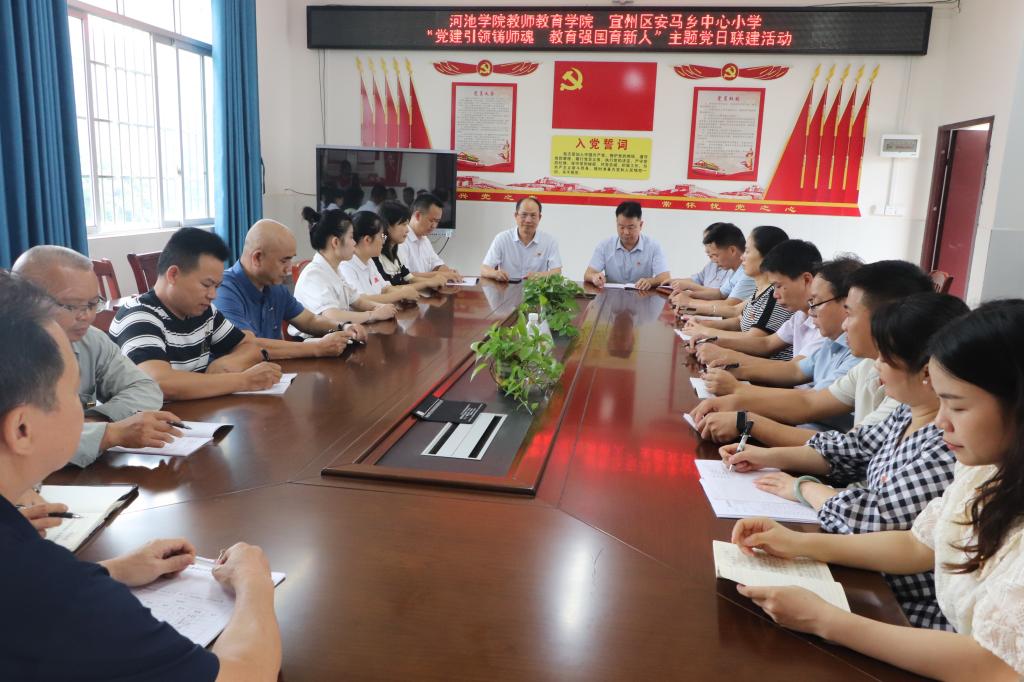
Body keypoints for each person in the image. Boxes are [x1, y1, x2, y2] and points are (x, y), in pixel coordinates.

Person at [0, 271, 281, 680]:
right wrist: (253, 580)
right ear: (22, 428)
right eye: (75, 395)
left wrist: (109, 570)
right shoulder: (45, 585)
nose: (86, 410)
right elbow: (243, 675)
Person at [728, 300, 1024, 680]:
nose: (941, 422)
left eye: (958, 407)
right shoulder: (982, 470)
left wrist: (826, 621)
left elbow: (995, 664)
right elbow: (917, 545)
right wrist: (798, 543)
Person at [724, 292, 969, 629]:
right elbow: (850, 448)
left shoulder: (949, 443)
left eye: (885, 357)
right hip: (870, 578)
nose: (876, 364)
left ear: (927, 372)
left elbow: (875, 521)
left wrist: (803, 488)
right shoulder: (907, 412)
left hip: (903, 606)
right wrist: (766, 455)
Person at [693, 261, 935, 445]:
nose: (845, 324)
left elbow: (850, 448)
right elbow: (807, 398)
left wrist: (743, 406)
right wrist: (737, 398)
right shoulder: (864, 364)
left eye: (850, 313)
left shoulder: (910, 387)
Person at [12, 246, 177, 467]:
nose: (87, 316)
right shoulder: (9, 356)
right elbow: (19, 445)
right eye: (72, 306)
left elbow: (146, 388)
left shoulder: (90, 339)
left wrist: (96, 420)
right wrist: (108, 434)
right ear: (26, 302)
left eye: (92, 304)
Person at [110, 228, 282, 400]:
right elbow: (160, 383)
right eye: (206, 285)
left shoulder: (204, 312)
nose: (213, 295)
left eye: (216, 286)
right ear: (173, 275)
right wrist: (243, 381)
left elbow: (249, 345)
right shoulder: (138, 316)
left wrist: (226, 363)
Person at [699, 257, 863, 431]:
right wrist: (734, 368)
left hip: (813, 432)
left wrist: (738, 390)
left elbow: (808, 403)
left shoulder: (861, 357)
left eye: (815, 302)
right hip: (803, 424)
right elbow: (794, 370)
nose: (811, 311)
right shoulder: (831, 341)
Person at [213, 219, 364, 355]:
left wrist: (343, 327)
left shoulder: (274, 286)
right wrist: (317, 347)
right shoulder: (224, 290)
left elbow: (309, 320)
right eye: (284, 261)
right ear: (257, 258)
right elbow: (247, 345)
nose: (289, 268)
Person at [689, 239, 827, 367]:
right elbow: (767, 343)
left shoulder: (824, 321)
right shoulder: (799, 315)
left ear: (806, 280)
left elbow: (794, 371)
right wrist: (714, 340)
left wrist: (726, 354)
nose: (775, 294)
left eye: (747, 251)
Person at [684, 226, 792, 359]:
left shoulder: (775, 294)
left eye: (747, 251)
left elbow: (755, 340)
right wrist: (704, 324)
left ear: (767, 257)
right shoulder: (761, 290)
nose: (742, 257)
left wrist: (706, 332)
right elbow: (740, 320)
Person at [292, 207, 397, 336]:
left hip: (336, 336)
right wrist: (373, 314)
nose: (354, 242)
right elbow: (332, 316)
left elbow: (357, 301)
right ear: (335, 242)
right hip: (313, 341)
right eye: (351, 237)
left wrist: (380, 307)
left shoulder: (334, 269)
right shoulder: (314, 274)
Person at [670, 222, 755, 316]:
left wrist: (690, 302)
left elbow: (730, 305)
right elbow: (720, 294)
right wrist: (690, 295)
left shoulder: (748, 273)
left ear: (732, 250)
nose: (713, 260)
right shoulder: (737, 271)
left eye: (716, 255)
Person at [583, 201, 670, 290]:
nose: (626, 232)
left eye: (630, 227)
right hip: (612, 296)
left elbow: (665, 277)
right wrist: (594, 277)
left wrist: (650, 281)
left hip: (642, 296)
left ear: (640, 225)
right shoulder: (605, 245)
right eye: (621, 227)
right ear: (616, 223)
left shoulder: (653, 246)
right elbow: (588, 274)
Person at [340, 211, 422, 304]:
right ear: (367, 239)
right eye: (382, 236)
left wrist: (406, 291)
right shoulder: (346, 266)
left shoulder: (369, 261)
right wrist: (402, 294)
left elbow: (385, 288)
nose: (384, 241)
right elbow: (361, 301)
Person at [480, 196, 562, 281]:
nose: (528, 220)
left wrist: (540, 275)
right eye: (524, 215)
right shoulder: (502, 239)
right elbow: (484, 268)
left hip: (536, 288)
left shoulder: (549, 241)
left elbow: (557, 271)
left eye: (533, 215)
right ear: (516, 216)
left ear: (539, 217)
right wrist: (496, 274)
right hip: (507, 287)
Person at [375, 200, 449, 290]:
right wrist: (429, 282)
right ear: (387, 226)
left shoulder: (396, 253)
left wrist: (434, 280)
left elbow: (410, 278)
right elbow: (387, 290)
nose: (407, 230)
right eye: (403, 224)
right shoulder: (376, 256)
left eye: (407, 224)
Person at [396, 193, 463, 281]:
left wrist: (448, 272)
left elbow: (436, 265)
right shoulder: (401, 240)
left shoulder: (425, 239)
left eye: (437, 221)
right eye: (431, 220)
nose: (434, 226)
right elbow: (405, 276)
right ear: (418, 216)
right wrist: (440, 274)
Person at [668, 223, 735, 292]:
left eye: (709, 244)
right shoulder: (711, 264)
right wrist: (675, 281)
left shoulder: (733, 269)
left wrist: (689, 286)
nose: (706, 250)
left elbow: (720, 294)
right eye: (705, 244)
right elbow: (698, 279)